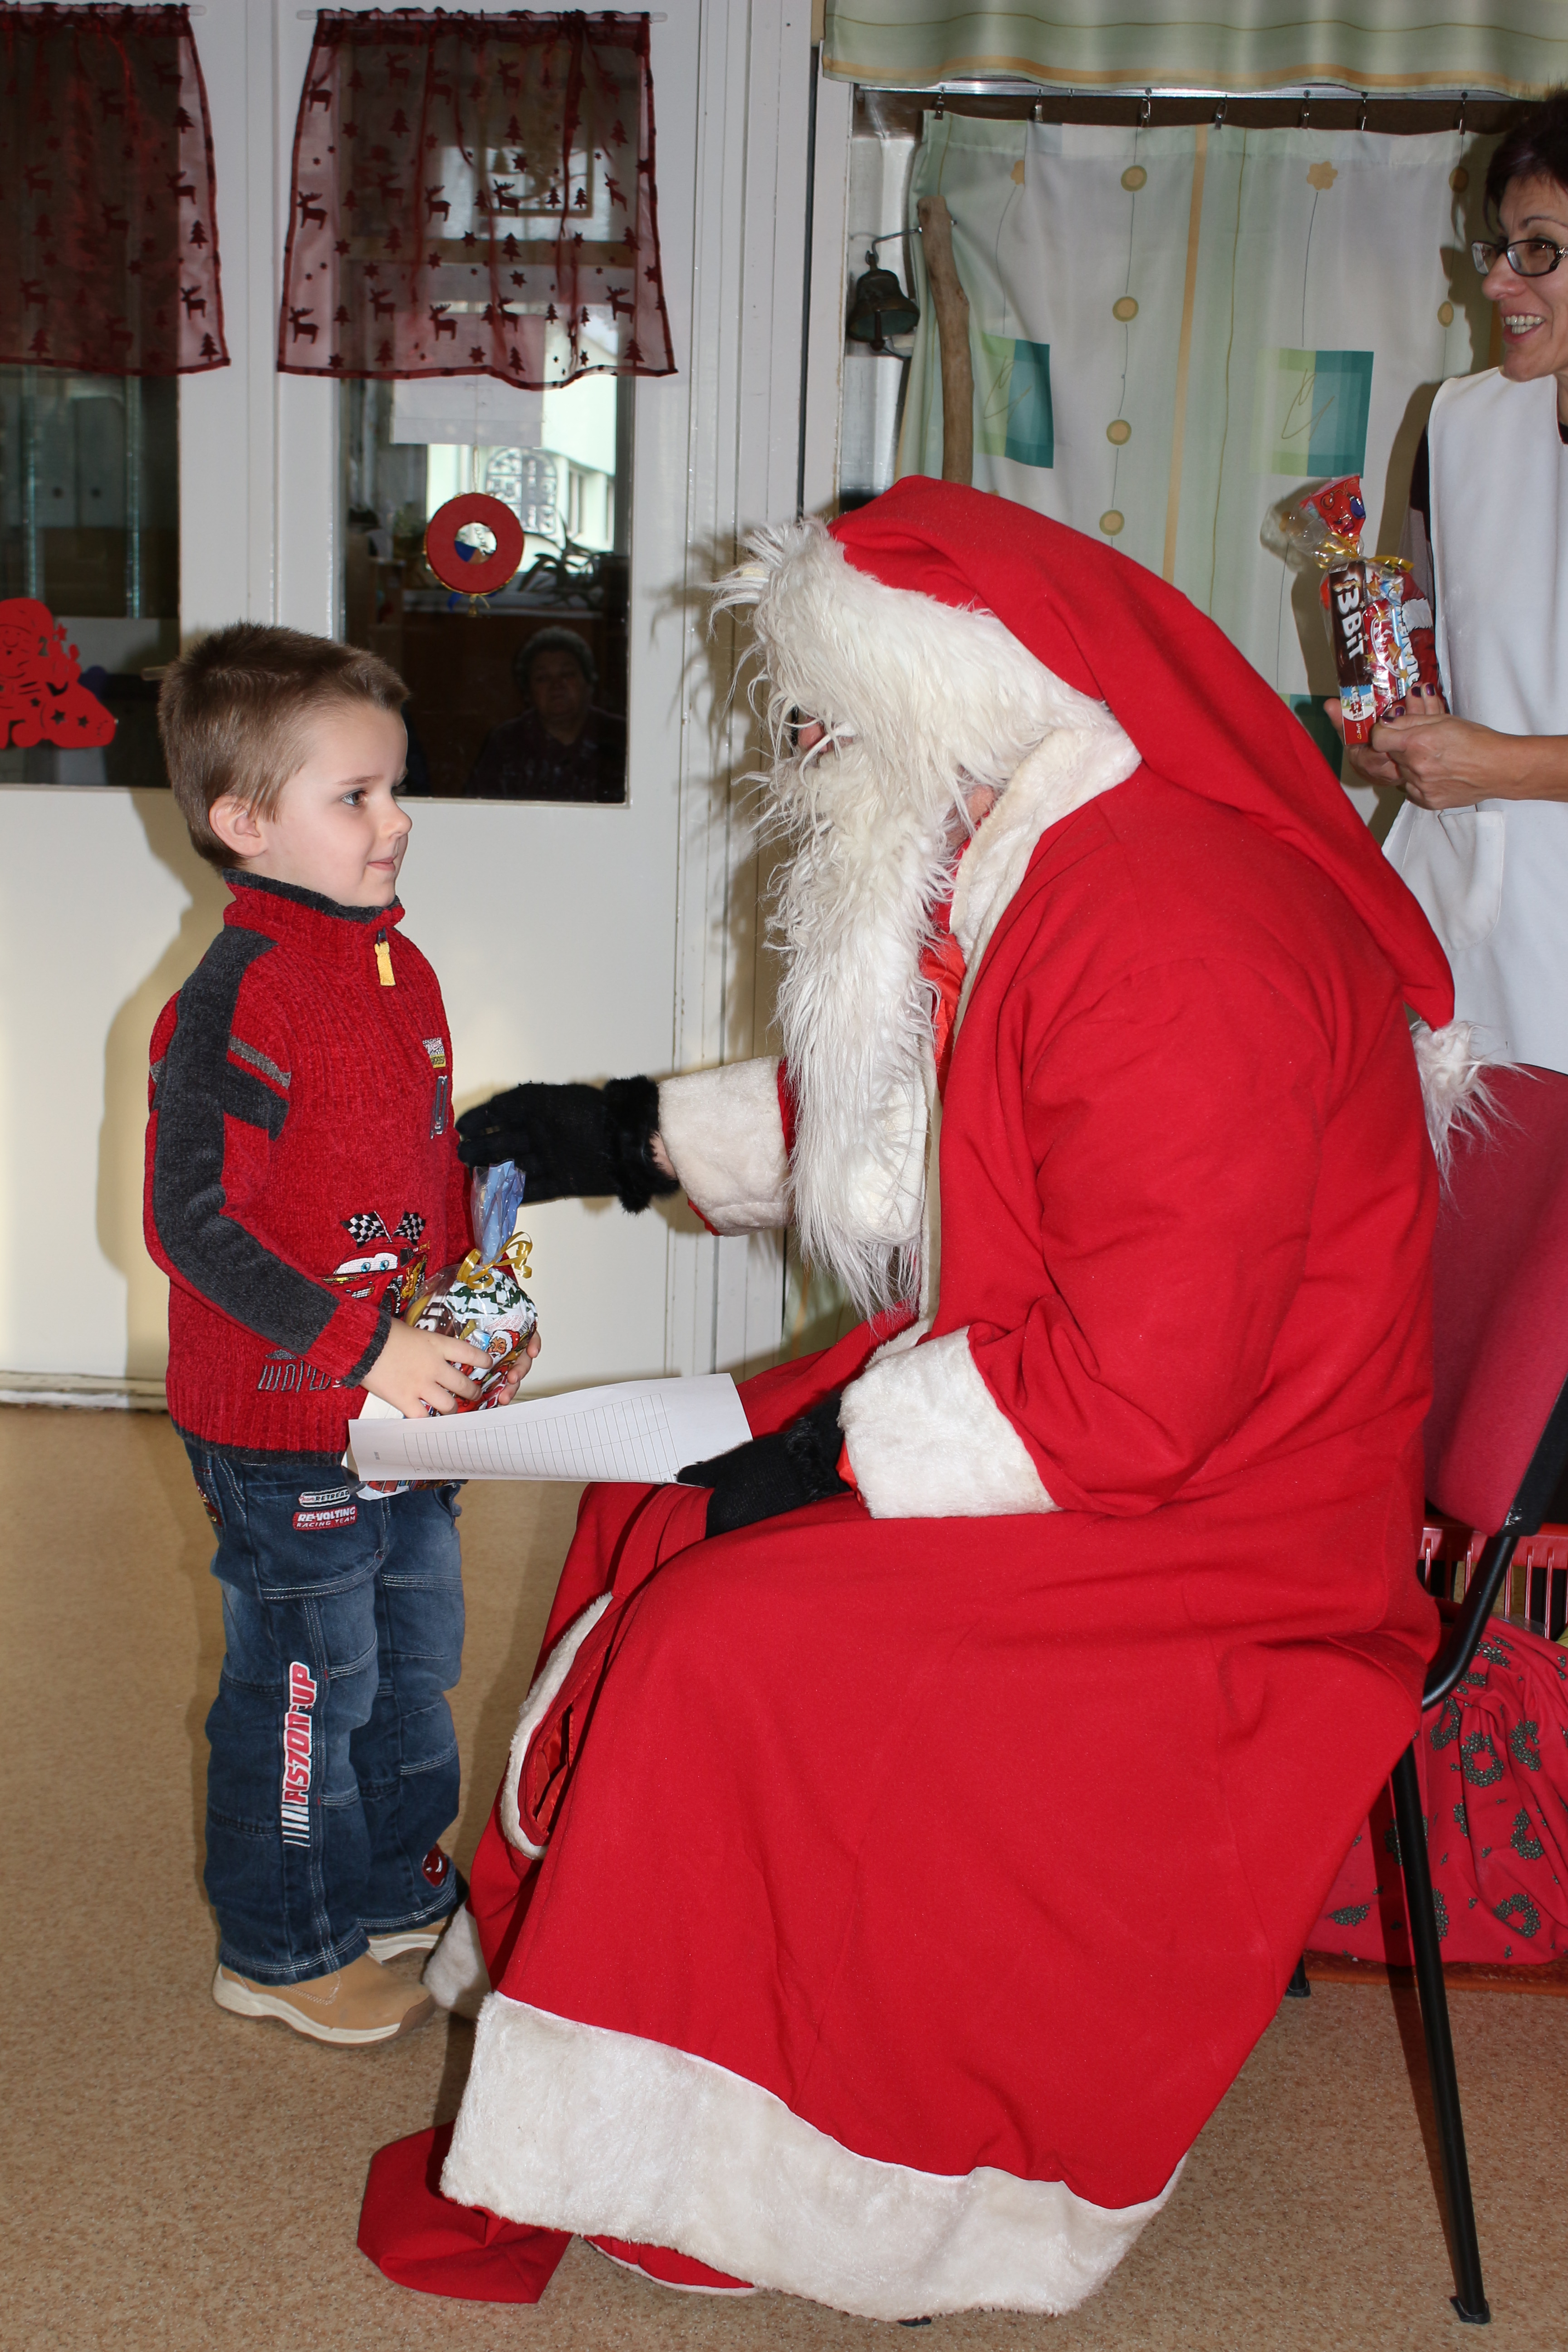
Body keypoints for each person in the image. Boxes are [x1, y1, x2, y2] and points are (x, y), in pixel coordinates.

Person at [358, 480, 1473, 2319]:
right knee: (659, 1498)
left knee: (727, 1639)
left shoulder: (1176, 929)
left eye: (825, 711)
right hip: (1084, 1397)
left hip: (1218, 1511)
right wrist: (612, 1135)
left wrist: (828, 1462)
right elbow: (922, 1090)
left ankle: (774, 2154)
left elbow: (1144, 1400)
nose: (801, 748)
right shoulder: (1052, 850)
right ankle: (620, 2049)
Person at [147, 624, 536, 2046]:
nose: (397, 820)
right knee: (311, 1685)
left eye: (396, 788)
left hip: (400, 1414)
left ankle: (390, 1890)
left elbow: (421, 1180)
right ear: (245, 822)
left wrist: (470, 1316)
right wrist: (363, 1347)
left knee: (414, 1656)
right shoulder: (238, 997)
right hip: (283, 1418)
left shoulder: (399, 971)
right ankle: (281, 1947)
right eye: (357, 796)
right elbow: (194, 1224)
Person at [1331, 88, 1568, 1072]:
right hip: (1470, 935)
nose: (1499, 281)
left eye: (1541, 249)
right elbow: (1432, 647)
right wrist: (1399, 741)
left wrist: (1501, 767)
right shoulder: (1461, 424)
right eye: (1500, 246)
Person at [465, 626, 626, 802]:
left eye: (568, 674)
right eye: (543, 678)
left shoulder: (621, 736)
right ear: (528, 693)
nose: (557, 685)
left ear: (588, 682)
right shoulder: (506, 742)